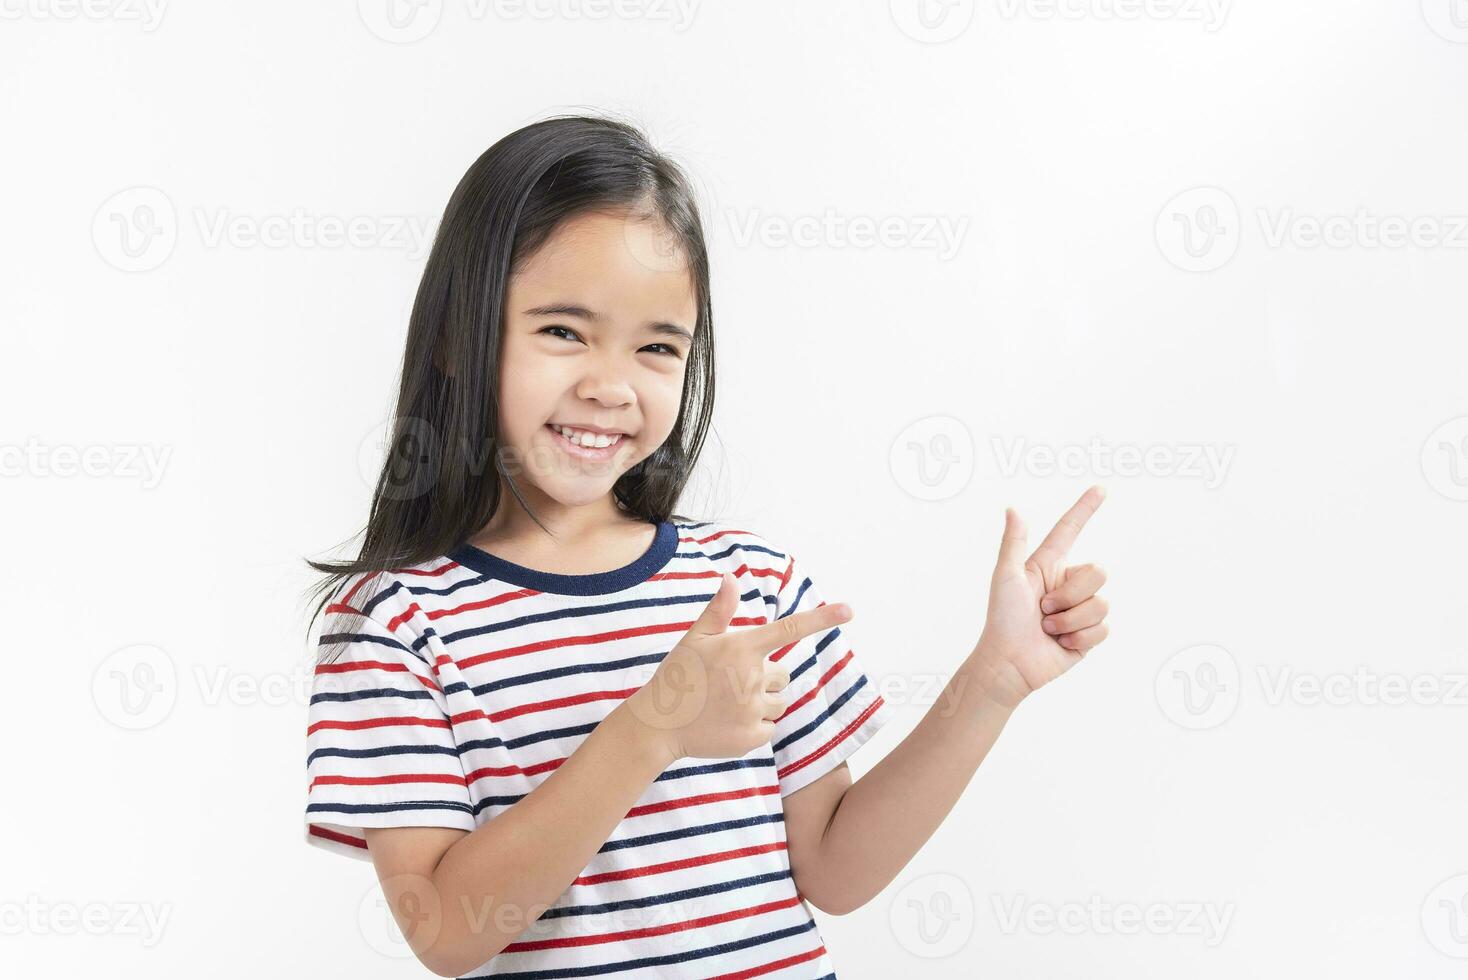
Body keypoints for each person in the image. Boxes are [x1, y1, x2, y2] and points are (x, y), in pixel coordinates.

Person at [301, 112, 1111, 979]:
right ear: (459, 338)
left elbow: (835, 872)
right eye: (563, 331)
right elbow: (449, 934)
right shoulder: (396, 624)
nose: (610, 386)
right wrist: (653, 726)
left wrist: (992, 681)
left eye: (656, 346)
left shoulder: (749, 582)